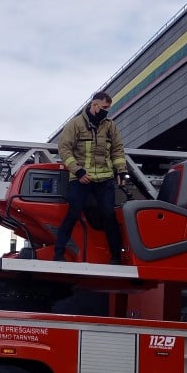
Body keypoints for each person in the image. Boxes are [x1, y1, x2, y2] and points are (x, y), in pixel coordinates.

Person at [53, 91, 127, 264]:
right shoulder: (75, 124)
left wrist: (121, 171)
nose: (107, 111)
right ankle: (58, 254)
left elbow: (117, 150)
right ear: (94, 105)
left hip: (105, 179)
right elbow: (64, 149)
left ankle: (116, 257)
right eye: (104, 107)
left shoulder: (110, 126)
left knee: (109, 215)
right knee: (73, 213)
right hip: (81, 178)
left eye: (108, 108)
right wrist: (78, 171)